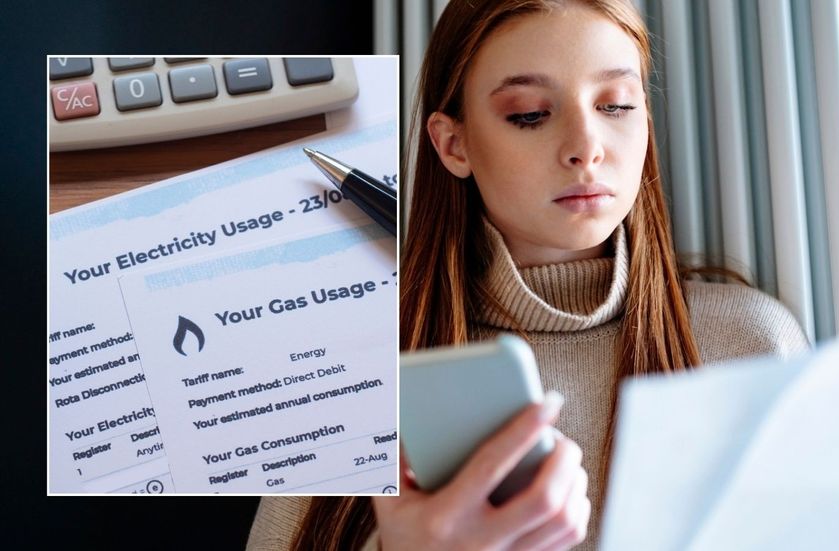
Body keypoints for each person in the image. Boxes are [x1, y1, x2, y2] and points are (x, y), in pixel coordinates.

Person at [247, 0, 809, 549]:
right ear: (453, 143)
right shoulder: (351, 374)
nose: (587, 148)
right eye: (530, 115)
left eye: (616, 105)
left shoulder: (753, 343)